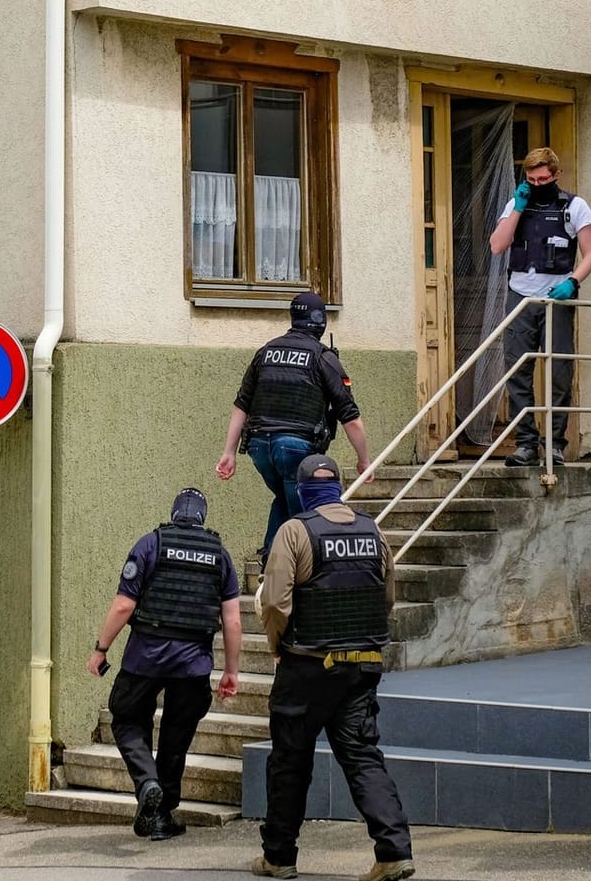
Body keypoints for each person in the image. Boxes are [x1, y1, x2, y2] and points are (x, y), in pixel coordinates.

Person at [252, 455, 413, 881]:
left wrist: (276, 646)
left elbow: (273, 602)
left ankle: (280, 858)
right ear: (339, 487)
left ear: (303, 490)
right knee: (362, 756)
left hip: (306, 665)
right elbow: (387, 594)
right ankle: (394, 851)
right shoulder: (371, 529)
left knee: (290, 761)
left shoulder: (295, 531)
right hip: (361, 666)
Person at [88, 488, 242, 841]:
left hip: (145, 657)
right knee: (176, 735)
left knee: (125, 716)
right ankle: (162, 810)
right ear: (203, 516)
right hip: (193, 665)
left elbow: (124, 606)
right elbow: (232, 621)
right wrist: (230, 671)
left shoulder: (151, 543)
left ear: (174, 513)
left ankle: (147, 784)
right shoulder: (219, 555)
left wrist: (101, 649)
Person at [217, 292, 372, 564]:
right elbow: (350, 416)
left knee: (285, 498)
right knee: (306, 513)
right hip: (295, 448)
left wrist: (228, 453)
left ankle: (271, 562)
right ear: (320, 320)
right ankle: (303, 570)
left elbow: (241, 404)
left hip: (259, 448)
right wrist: (364, 460)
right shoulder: (323, 357)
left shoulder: (265, 352)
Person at [485, 147, 591, 465]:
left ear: (556, 175)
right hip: (520, 296)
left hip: (556, 296)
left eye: (543, 179)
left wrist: (572, 282)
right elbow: (497, 246)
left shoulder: (575, 206)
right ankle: (525, 442)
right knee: (517, 369)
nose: (537, 184)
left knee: (559, 369)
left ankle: (554, 443)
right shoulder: (516, 204)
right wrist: (519, 208)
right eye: (531, 179)